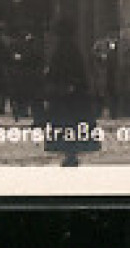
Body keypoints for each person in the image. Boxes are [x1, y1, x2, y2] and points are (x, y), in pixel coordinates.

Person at [43, 19, 102, 166]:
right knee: (75, 124)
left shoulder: (62, 49)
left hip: (65, 95)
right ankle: (72, 152)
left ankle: (70, 153)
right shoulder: (73, 48)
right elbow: (80, 72)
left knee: (65, 124)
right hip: (76, 96)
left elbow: (57, 71)